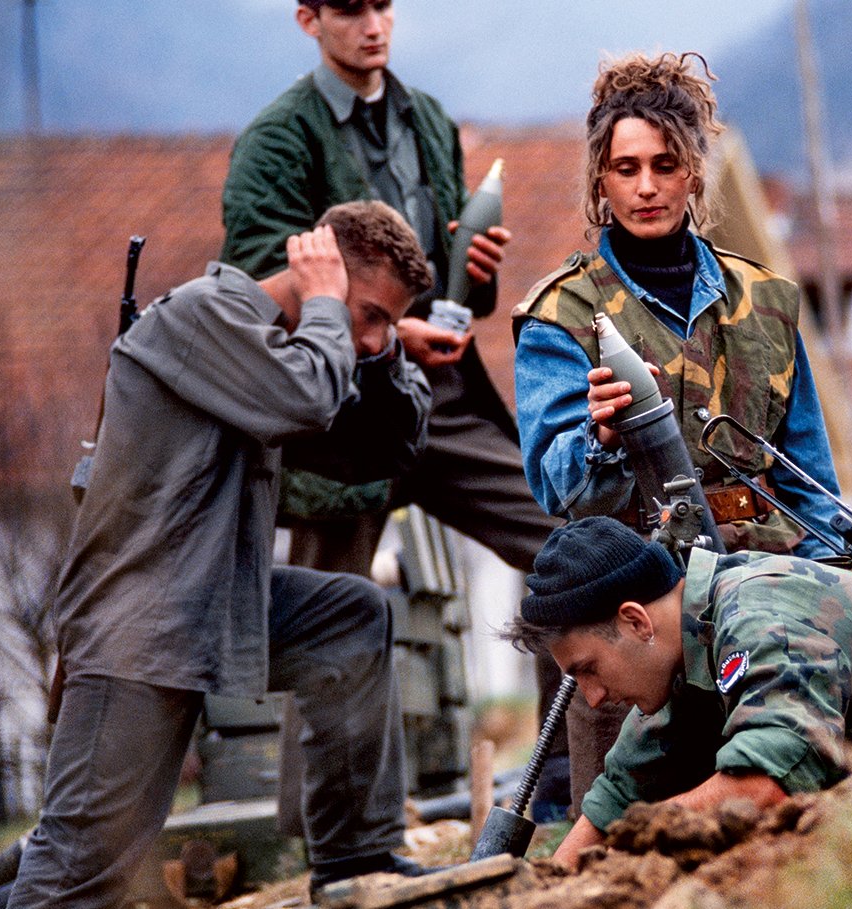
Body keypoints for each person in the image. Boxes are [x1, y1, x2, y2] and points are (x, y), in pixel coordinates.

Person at [8, 202, 436, 909]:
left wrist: (387, 355)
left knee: (350, 618)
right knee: (80, 871)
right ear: (320, 272)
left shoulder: (289, 348)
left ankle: (356, 860)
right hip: (138, 629)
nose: (366, 337)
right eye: (368, 315)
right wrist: (327, 308)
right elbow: (307, 400)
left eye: (385, 324)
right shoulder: (205, 316)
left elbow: (385, 449)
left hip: (219, 606)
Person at [220, 0, 568, 822]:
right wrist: (382, 332)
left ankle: (560, 789)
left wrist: (474, 270)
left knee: (565, 547)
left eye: (382, 4)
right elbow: (257, 285)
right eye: (349, 9)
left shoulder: (427, 120)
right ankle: (325, 840)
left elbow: (452, 286)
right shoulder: (277, 140)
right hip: (336, 416)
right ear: (307, 19)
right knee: (328, 625)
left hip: (441, 401)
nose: (372, 24)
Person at [511, 52, 844, 809]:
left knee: (785, 810)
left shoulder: (765, 300)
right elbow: (555, 488)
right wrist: (598, 439)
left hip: (761, 603)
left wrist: (827, 589)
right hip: (633, 622)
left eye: (665, 165)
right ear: (599, 180)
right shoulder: (560, 315)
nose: (646, 186)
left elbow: (810, 482)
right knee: (623, 834)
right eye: (625, 168)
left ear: (695, 172)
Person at [501, 516, 852, 870]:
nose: (591, 698)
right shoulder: (683, 647)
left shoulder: (754, 615)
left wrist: (635, 843)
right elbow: (615, 798)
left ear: (635, 621)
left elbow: (764, 784)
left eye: (588, 670)